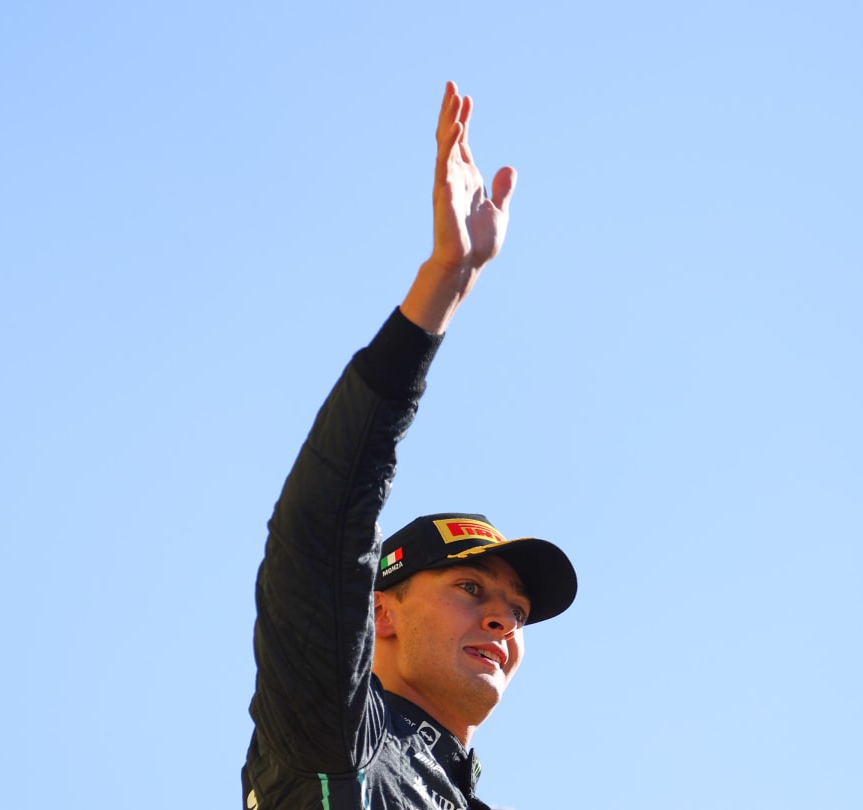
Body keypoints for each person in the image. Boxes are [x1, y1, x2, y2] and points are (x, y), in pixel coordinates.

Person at [241, 81, 578, 810]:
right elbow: (322, 531)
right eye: (470, 588)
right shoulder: (337, 746)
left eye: (517, 610)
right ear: (380, 615)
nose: (502, 620)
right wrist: (437, 291)